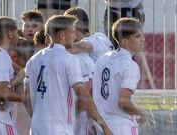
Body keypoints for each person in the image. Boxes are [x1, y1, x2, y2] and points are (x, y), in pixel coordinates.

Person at [23, 15, 112, 135]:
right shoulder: (69, 59)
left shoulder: (33, 60)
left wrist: (37, 119)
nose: (75, 37)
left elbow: (26, 98)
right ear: (62, 35)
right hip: (60, 129)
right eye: (72, 33)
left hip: (36, 128)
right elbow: (83, 94)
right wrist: (103, 125)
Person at [64, 7, 113, 135]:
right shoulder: (101, 37)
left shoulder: (89, 45)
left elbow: (85, 45)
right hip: (107, 104)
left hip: (95, 108)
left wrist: (58, 46)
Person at [92, 17, 145, 135]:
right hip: (122, 127)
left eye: (142, 35)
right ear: (124, 41)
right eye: (137, 36)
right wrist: (141, 112)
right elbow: (124, 103)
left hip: (102, 127)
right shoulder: (130, 66)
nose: (143, 39)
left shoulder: (102, 59)